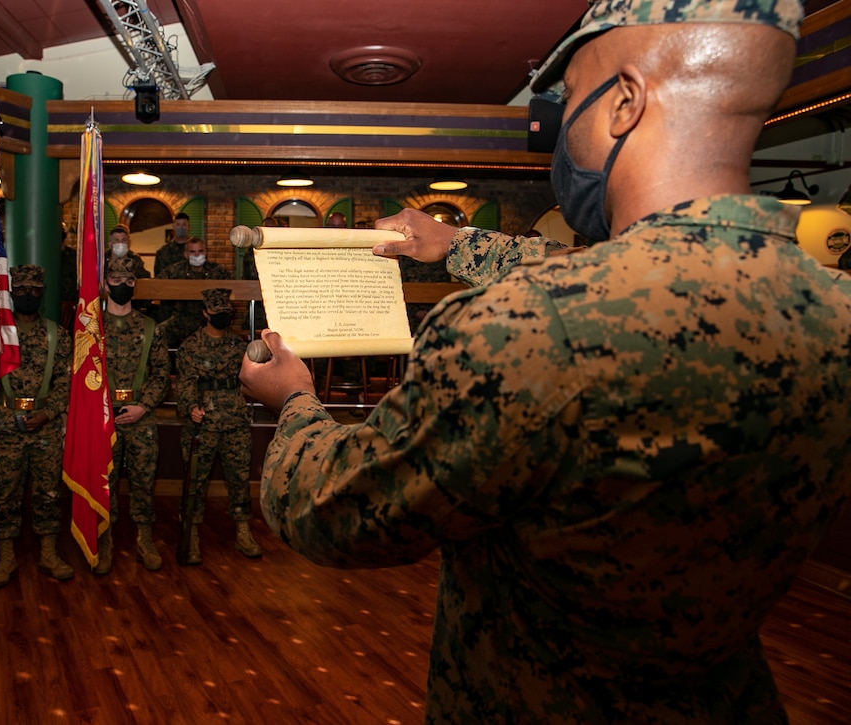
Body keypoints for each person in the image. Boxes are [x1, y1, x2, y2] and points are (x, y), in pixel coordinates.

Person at [241, 2, 851, 722]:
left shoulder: (521, 327)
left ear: (624, 102)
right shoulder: (830, 303)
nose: (561, 129)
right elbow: (633, 267)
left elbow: (340, 512)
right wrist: (455, 243)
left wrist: (295, 402)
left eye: (570, 102)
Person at [0, 265, 74, 587]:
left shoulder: (57, 334)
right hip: (6, 425)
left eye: (34, 289)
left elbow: (65, 381)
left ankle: (48, 553)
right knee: (6, 494)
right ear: (10, 293)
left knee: (48, 492)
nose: (28, 295)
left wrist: (50, 413)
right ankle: (6, 557)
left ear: (42, 292)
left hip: (45, 424)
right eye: (20, 290)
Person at [175, 288, 262, 564]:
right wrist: (190, 407)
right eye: (216, 314)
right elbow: (184, 382)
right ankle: (192, 534)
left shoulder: (238, 347)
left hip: (234, 421)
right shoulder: (191, 346)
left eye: (226, 313)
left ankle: (243, 530)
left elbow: (251, 380)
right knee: (196, 483)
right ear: (205, 314)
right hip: (203, 424)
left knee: (239, 478)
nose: (221, 318)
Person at [101, 256, 170, 572]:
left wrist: (144, 406)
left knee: (144, 481)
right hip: (103, 419)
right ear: (105, 284)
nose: (122, 286)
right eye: (116, 281)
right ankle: (104, 540)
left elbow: (161, 374)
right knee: (105, 482)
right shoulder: (92, 328)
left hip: (141, 417)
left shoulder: (150, 328)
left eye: (129, 281)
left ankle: (144, 539)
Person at [155, 236, 232, 349]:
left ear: (206, 252)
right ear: (186, 254)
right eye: (192, 252)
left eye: (200, 251)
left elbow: (234, 288)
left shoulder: (218, 271)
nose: (197, 255)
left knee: (230, 341)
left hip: (209, 321)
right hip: (181, 319)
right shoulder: (176, 270)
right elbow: (156, 285)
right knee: (156, 334)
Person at [154, 212, 195, 276]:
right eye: (178, 225)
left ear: (189, 227)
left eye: (184, 225)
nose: (181, 228)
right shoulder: (163, 252)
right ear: (173, 226)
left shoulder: (196, 250)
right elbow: (158, 278)